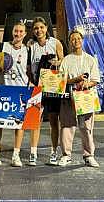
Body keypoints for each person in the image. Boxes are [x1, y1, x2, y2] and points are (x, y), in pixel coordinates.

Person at [0, 21, 30, 168]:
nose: (18, 34)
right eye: (16, 31)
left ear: (25, 34)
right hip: (3, 90)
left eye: (21, 32)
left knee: (19, 126)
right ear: (12, 32)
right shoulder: (3, 46)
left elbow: (30, 70)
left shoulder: (28, 50)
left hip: (20, 90)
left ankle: (16, 155)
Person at [58, 30, 100, 167]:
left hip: (85, 97)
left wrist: (87, 83)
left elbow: (95, 80)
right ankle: (66, 155)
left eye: (78, 38)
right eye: (73, 39)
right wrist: (75, 80)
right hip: (69, 97)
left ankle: (89, 155)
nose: (76, 41)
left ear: (82, 40)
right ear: (70, 42)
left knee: (86, 127)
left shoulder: (90, 59)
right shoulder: (66, 60)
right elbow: (61, 80)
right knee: (67, 126)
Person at [28, 17, 64, 166]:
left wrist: (56, 62)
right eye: (36, 28)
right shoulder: (30, 45)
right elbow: (28, 67)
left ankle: (54, 152)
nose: (39, 30)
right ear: (33, 30)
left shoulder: (55, 43)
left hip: (52, 86)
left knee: (54, 120)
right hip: (37, 86)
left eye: (41, 27)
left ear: (46, 28)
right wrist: (30, 81)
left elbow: (63, 60)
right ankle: (33, 152)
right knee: (35, 120)